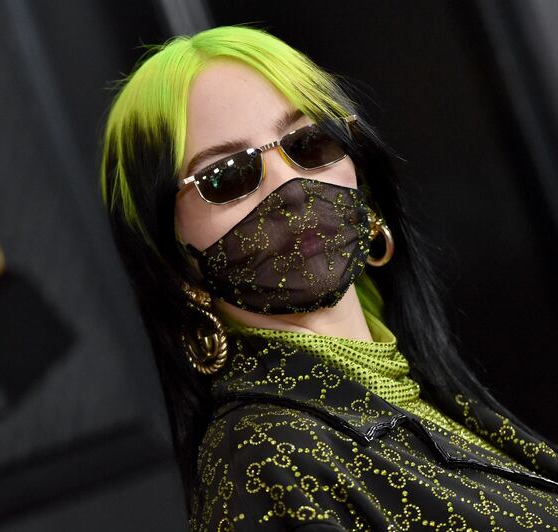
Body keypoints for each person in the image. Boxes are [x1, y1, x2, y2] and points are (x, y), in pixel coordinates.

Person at [99, 25, 558, 530]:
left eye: (310, 142)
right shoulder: (263, 457)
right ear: (169, 254)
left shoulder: (423, 394)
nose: (290, 183)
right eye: (227, 174)